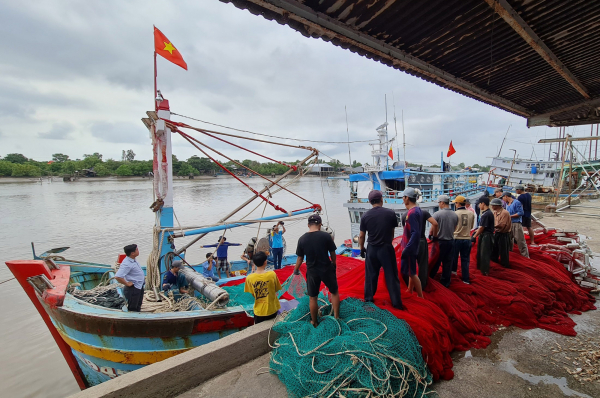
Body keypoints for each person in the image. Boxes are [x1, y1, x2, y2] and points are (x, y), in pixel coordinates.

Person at [359, 190, 404, 310]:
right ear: (381, 200)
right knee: (391, 276)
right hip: (386, 248)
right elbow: (392, 232)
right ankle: (396, 303)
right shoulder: (390, 213)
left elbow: (362, 235)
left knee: (370, 276)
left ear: (370, 202)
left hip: (372, 249)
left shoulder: (365, 216)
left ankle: (368, 299)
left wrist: (362, 248)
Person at [294, 214, 340, 326]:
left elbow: (300, 258)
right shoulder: (325, 236)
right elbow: (333, 253)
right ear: (320, 225)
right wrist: (334, 264)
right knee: (334, 292)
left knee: (313, 298)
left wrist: (296, 270)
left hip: (312, 271)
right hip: (326, 268)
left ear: (308, 225)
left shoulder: (302, 239)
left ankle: (314, 321)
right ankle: (337, 317)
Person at [399, 187, 424, 298]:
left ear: (407, 198)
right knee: (411, 270)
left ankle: (420, 295)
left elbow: (415, 233)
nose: (403, 199)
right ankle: (410, 289)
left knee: (413, 273)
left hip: (410, 248)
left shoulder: (412, 213)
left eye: (403, 197)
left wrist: (407, 249)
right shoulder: (417, 209)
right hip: (412, 246)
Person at [244, 251, 282, 324]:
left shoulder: (249, 278)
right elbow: (275, 289)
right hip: (272, 309)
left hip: (259, 311)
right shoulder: (272, 274)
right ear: (265, 262)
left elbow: (253, 294)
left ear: (254, 263)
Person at [429, 195, 459, 287]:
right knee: (447, 263)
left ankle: (431, 279)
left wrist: (431, 236)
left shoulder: (437, 214)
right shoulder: (455, 215)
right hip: (450, 241)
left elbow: (432, 228)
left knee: (435, 262)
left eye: (439, 203)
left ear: (442, 202)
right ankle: (446, 282)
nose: (439, 204)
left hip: (439, 242)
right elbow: (454, 228)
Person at [115, 244, 145, 312]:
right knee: (133, 308)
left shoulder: (133, 259)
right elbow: (118, 276)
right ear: (132, 253)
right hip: (133, 289)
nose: (138, 251)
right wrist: (127, 284)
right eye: (137, 249)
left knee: (138, 305)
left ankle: (138, 318)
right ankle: (133, 320)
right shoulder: (127, 264)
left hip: (139, 286)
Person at [452, 195, 475, 284]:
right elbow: (472, 226)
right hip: (467, 238)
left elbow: (452, 227)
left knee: (454, 258)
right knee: (465, 260)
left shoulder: (455, 213)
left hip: (456, 238)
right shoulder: (471, 213)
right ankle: (466, 279)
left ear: (458, 204)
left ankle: (453, 274)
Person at [502, 192, 530, 258]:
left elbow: (521, 213)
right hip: (509, 224)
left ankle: (525, 256)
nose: (503, 199)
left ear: (506, 196)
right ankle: (509, 253)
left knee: (520, 240)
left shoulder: (516, 202)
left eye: (503, 198)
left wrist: (510, 216)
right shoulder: (507, 204)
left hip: (516, 223)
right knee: (508, 240)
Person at [472, 197, 494, 275]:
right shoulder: (487, 213)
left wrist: (474, 236)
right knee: (481, 253)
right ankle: (483, 269)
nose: (479, 205)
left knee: (484, 254)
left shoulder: (486, 214)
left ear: (483, 204)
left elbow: (482, 228)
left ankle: (484, 271)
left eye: (479, 204)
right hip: (486, 235)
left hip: (486, 237)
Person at [491, 198, 511, 268]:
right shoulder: (495, 213)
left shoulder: (505, 213)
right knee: (494, 250)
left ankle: (504, 266)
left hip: (504, 234)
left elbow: (502, 225)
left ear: (497, 205)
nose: (492, 207)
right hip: (497, 233)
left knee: (503, 251)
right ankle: (495, 263)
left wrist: (492, 226)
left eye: (493, 205)